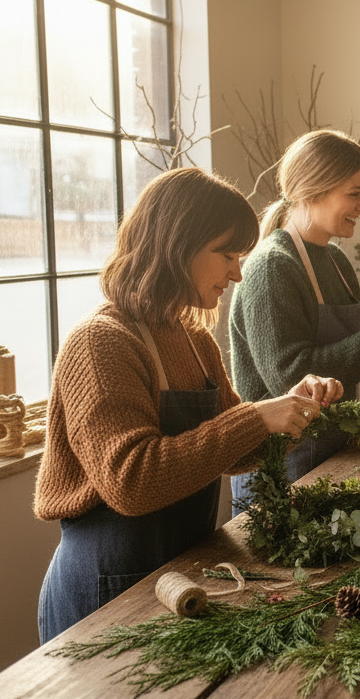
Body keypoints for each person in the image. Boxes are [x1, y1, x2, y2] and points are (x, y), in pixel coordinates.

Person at [34, 167, 343, 642]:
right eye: (227, 254)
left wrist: (289, 412)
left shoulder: (194, 339)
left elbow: (236, 452)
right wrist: (256, 417)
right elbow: (131, 482)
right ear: (176, 245)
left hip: (176, 575)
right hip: (106, 588)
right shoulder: (100, 343)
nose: (237, 273)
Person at [229, 130, 360, 514]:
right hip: (278, 469)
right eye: (354, 193)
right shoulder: (272, 266)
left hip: (329, 450)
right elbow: (292, 380)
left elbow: (353, 338)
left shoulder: (335, 260)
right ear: (313, 189)